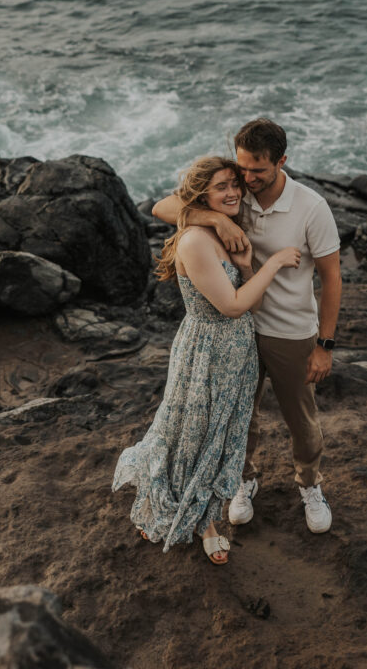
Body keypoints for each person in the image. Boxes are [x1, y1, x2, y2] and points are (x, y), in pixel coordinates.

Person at [152, 119, 342, 534]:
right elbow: (163, 207)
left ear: (282, 162)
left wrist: (325, 344)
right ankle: (244, 481)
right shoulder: (236, 196)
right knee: (242, 419)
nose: (247, 179)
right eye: (242, 169)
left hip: (292, 333)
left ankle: (310, 486)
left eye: (258, 170)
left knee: (302, 421)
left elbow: (332, 278)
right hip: (240, 333)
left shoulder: (312, 208)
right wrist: (216, 220)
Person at [112, 155, 300, 565]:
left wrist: (249, 265)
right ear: (202, 194)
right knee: (191, 435)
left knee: (220, 439)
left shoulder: (224, 228)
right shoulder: (196, 240)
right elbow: (232, 306)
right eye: (221, 186)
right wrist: (273, 262)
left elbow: (252, 302)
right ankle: (192, 518)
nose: (234, 191)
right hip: (206, 353)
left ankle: (206, 516)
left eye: (236, 183)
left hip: (237, 352)